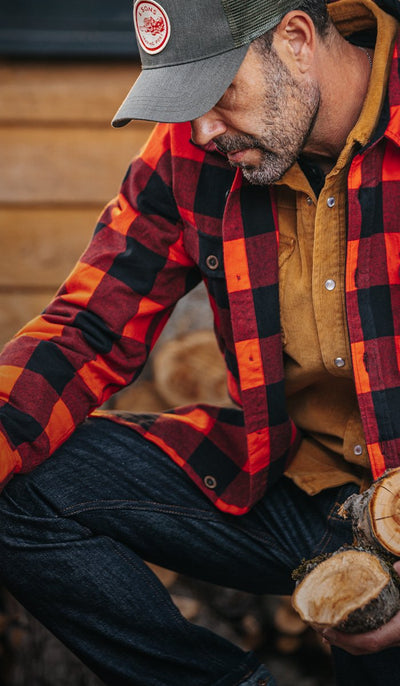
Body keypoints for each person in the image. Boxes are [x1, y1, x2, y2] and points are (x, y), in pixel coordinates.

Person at [0, 0, 400, 683]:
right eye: (183, 102)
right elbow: (88, 327)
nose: (201, 129)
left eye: (218, 91)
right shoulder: (187, 152)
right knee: (21, 486)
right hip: (287, 485)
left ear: (297, 38)